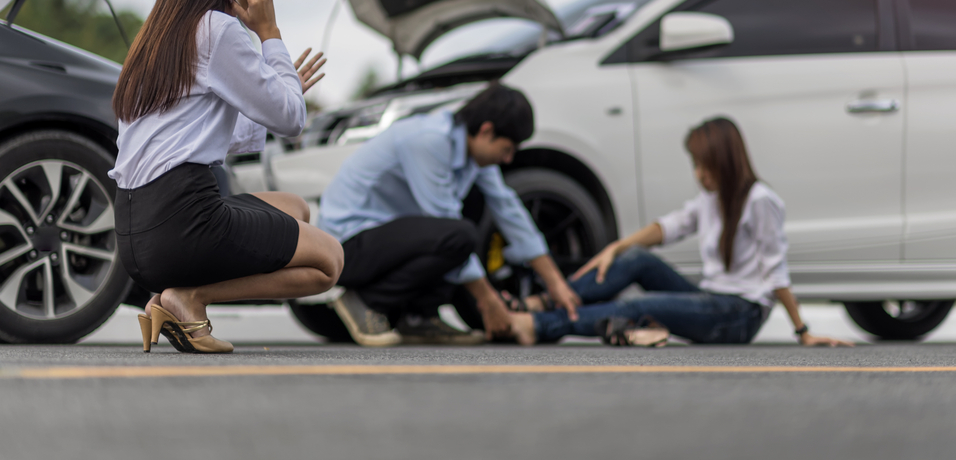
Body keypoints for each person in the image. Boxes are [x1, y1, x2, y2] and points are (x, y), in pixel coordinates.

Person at [110, 0, 345, 354]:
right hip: (184, 220)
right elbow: (293, 119)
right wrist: (269, 35)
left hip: (136, 231)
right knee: (329, 261)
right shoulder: (219, 30)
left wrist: (276, 85)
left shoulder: (154, 38)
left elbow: (210, 134)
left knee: (295, 209)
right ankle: (190, 297)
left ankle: (173, 295)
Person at [505, 117, 853, 347]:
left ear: (727, 161)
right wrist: (616, 247)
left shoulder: (761, 200)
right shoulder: (712, 199)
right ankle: (548, 301)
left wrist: (803, 332)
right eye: (696, 165)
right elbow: (668, 227)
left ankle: (538, 323)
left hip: (738, 315)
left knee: (638, 305)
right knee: (638, 258)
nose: (700, 174)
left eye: (706, 165)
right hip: (713, 298)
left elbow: (776, 272)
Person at [316, 83, 580, 346]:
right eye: (507, 149)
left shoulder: (472, 151)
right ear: (487, 130)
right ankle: (365, 302)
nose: (508, 159)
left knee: (472, 211)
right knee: (459, 234)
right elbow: (446, 222)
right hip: (343, 249)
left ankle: (420, 318)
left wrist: (555, 283)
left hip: (382, 241)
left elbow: (508, 209)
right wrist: (488, 300)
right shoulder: (429, 140)